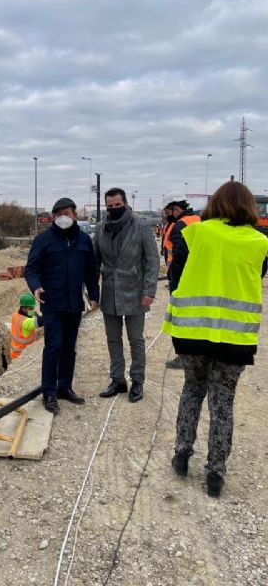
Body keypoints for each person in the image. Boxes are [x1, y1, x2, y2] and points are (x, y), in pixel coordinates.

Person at [163, 181, 268, 497]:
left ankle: (182, 455)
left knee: (192, 391)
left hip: (193, 333)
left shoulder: (196, 233)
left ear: (215, 204)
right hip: (235, 339)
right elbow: (257, 275)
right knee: (223, 404)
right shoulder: (260, 241)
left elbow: (175, 275)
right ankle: (215, 474)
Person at [25, 197, 99, 415]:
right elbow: (31, 269)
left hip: (74, 303)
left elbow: (90, 271)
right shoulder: (44, 240)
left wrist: (94, 295)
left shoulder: (84, 240)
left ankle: (64, 387)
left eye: (67, 213)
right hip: (53, 303)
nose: (63, 218)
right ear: (53, 217)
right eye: (58, 215)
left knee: (69, 347)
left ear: (75, 214)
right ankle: (49, 392)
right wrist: (36, 286)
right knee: (53, 346)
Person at [93, 188, 160, 402]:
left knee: (135, 340)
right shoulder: (101, 228)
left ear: (125, 203)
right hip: (110, 294)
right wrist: (93, 291)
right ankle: (117, 380)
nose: (114, 209)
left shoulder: (141, 227)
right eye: (110, 206)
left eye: (117, 205)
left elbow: (152, 261)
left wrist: (149, 290)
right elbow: (95, 261)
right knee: (113, 339)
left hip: (136, 293)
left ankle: (137, 381)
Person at [161, 192, 201, 369]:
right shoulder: (198, 220)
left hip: (181, 280)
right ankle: (195, 353)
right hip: (196, 278)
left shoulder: (180, 225)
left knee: (179, 319)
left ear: (176, 208)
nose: (166, 214)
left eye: (167, 210)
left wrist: (174, 282)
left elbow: (178, 257)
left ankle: (184, 356)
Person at [9, 292, 44, 360]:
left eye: (33, 307)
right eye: (30, 308)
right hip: (20, 356)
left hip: (14, 352)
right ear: (24, 308)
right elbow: (41, 321)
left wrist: (33, 313)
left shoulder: (16, 315)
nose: (32, 310)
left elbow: (32, 314)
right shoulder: (25, 322)